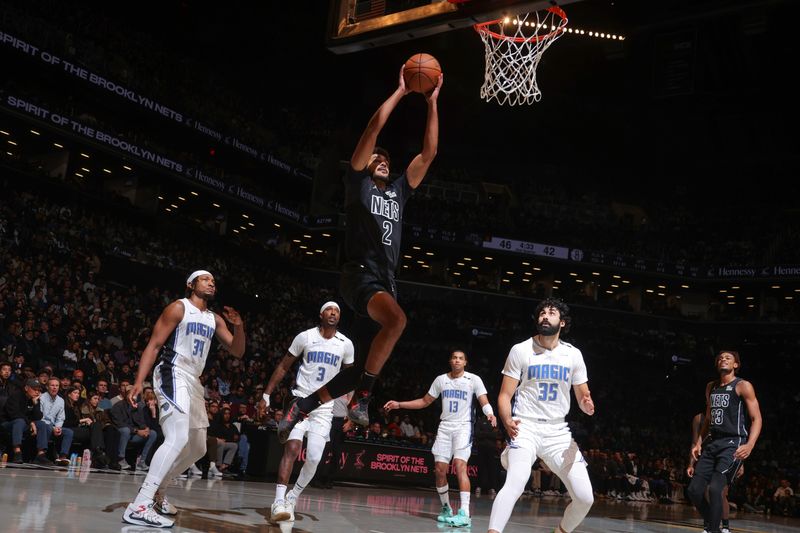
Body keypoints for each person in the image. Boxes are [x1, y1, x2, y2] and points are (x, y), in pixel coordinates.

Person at [278, 64, 443, 439]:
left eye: (386, 158)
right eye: (376, 158)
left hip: (386, 281)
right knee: (398, 323)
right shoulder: (357, 185)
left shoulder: (399, 191)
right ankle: (363, 396)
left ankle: (303, 405)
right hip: (359, 274)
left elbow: (429, 153)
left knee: (362, 365)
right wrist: (401, 91)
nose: (381, 160)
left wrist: (432, 102)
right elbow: (372, 130)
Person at [122, 270, 246, 528]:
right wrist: (138, 381)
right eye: (205, 279)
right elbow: (154, 344)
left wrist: (239, 326)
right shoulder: (179, 308)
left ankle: (158, 493)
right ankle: (140, 505)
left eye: (213, 281)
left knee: (198, 447)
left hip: (193, 380)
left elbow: (237, 351)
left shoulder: (214, 318)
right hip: (173, 371)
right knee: (177, 437)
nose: (211, 283)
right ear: (191, 284)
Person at [488, 298, 595, 533]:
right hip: (524, 427)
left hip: (558, 434)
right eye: (542, 313)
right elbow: (505, 395)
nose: (545, 316)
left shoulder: (573, 355)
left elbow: (583, 394)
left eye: (552, 312)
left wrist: (586, 403)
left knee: (585, 497)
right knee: (516, 482)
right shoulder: (520, 350)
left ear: (563, 322)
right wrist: (507, 420)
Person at [263, 302, 354, 522]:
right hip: (300, 400)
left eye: (337, 311)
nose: (333, 312)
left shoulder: (346, 344)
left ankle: (292, 498)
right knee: (292, 449)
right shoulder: (305, 337)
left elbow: (350, 379)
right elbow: (284, 366)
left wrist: (350, 411)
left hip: (325, 408)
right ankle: (278, 501)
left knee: (313, 458)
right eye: (329, 309)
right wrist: (266, 394)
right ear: (321, 314)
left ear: (339, 317)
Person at [384, 350, 496, 527]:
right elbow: (424, 401)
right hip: (444, 427)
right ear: (450, 361)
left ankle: (465, 513)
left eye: (461, 358)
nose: (457, 361)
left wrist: (490, 413)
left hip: (463, 427)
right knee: (439, 470)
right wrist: (400, 404)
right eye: (454, 358)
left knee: (460, 466)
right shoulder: (440, 380)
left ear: (465, 362)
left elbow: (483, 400)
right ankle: (446, 508)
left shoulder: (473, 379)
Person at [687, 350, 762, 533]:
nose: (723, 359)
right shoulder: (711, 387)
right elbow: (708, 419)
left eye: (728, 358)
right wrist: (698, 442)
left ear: (736, 365)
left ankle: (713, 529)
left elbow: (757, 418)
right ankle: (715, 526)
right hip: (712, 443)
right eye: (720, 358)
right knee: (694, 491)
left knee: (715, 489)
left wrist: (750, 444)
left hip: (733, 444)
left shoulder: (743, 385)